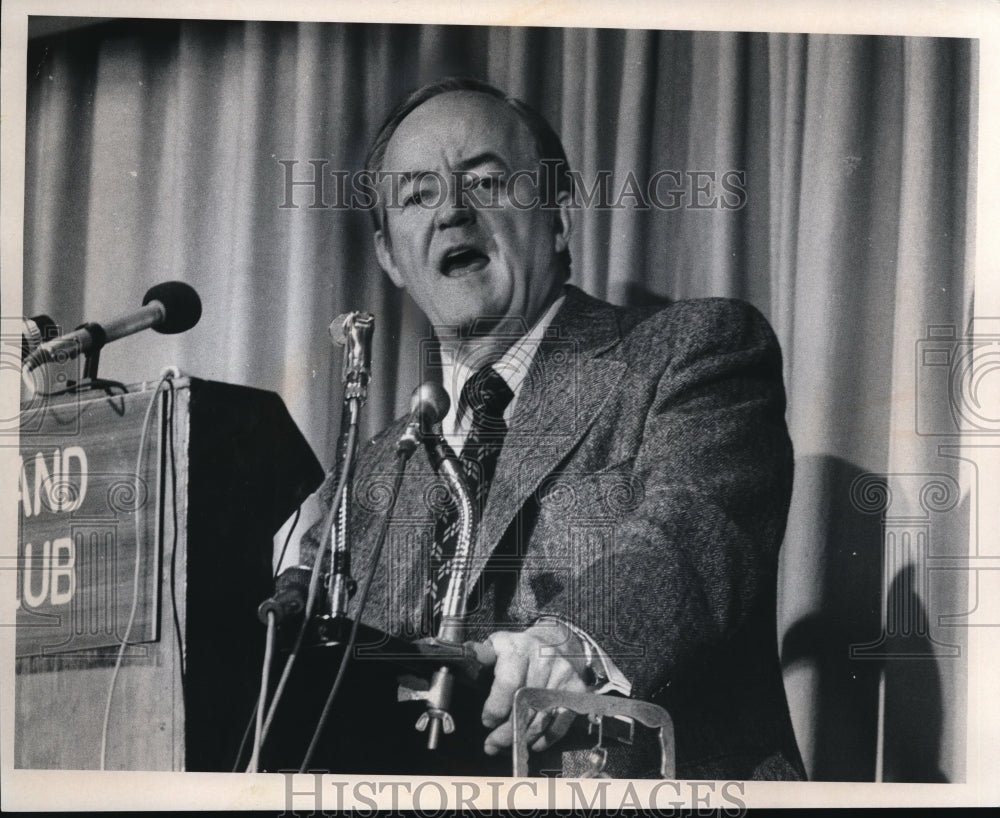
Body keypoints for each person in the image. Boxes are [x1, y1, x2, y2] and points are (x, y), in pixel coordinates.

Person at [295, 77, 805, 779]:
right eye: (417, 195)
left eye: (487, 181)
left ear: (559, 216)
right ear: (389, 257)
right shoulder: (373, 472)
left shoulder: (692, 351)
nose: (452, 211)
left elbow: (692, 532)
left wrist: (573, 639)